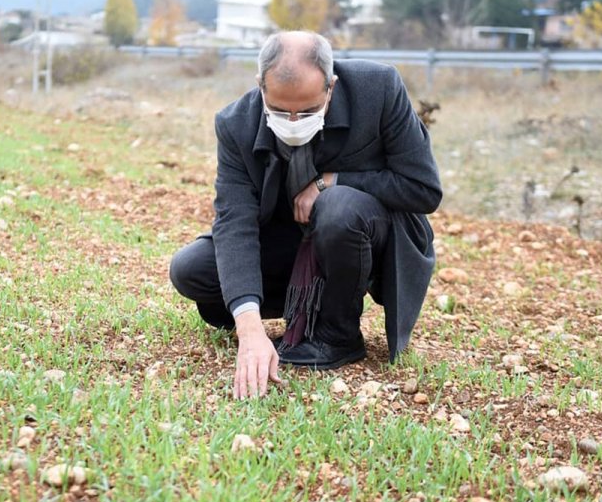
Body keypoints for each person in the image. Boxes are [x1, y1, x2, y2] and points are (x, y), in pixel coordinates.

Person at [169, 31, 442, 400]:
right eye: (281, 111)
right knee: (191, 269)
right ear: (261, 86)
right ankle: (305, 307)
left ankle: (338, 336)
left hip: (366, 235)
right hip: (291, 238)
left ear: (331, 86)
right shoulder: (235, 124)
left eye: (310, 111)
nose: (294, 121)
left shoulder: (378, 89)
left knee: (338, 207)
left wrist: (332, 181)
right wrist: (250, 329)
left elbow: (423, 189)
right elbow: (235, 222)